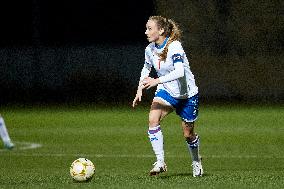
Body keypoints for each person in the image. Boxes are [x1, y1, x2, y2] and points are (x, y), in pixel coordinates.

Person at [132, 16, 203, 177]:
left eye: (150, 28)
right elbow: (146, 69)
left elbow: (180, 72)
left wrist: (156, 80)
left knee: (188, 134)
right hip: (166, 91)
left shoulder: (175, 46)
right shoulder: (149, 49)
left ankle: (196, 161)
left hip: (187, 95)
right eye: (146, 28)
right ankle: (160, 162)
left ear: (161, 30)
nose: (146, 32)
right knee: (152, 119)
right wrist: (139, 89)